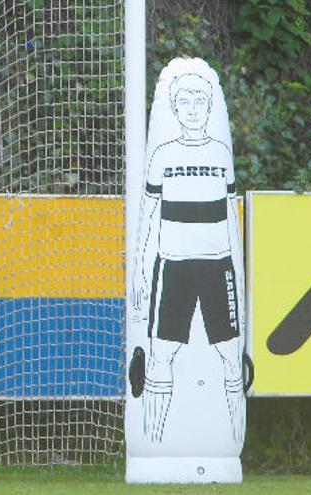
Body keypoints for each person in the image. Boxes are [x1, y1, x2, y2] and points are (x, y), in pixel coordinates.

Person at [131, 72, 244, 443]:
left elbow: (230, 216)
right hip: (173, 266)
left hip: (217, 265)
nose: (193, 109)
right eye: (185, 102)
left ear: (209, 107)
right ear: (175, 109)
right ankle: (154, 444)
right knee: (161, 355)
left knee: (231, 355)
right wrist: (140, 271)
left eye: (200, 101)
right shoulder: (163, 155)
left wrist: (237, 276)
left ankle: (232, 441)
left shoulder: (221, 154)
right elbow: (148, 215)